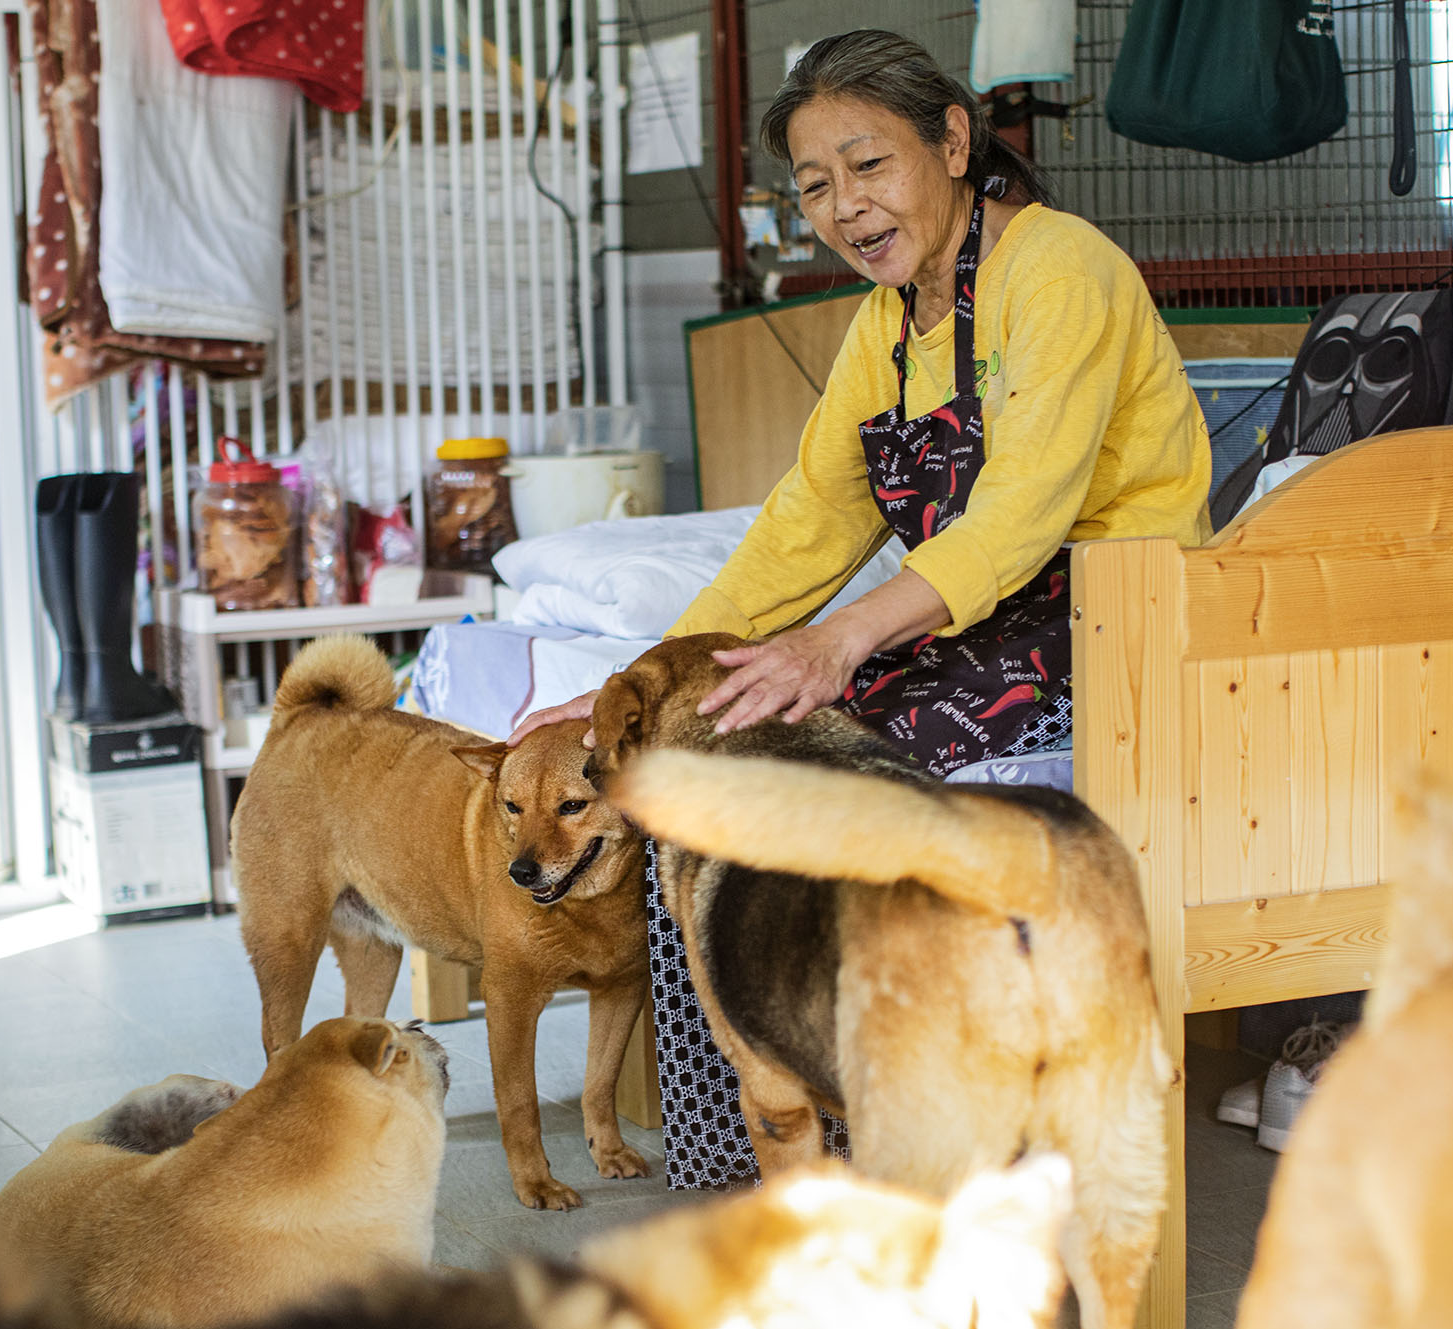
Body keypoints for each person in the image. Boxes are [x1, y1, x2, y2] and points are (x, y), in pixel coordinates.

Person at [510, 27, 1210, 775]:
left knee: (827, 767)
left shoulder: (1059, 269)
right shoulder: (888, 324)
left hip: (1122, 611)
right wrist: (650, 681)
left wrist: (838, 639)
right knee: (715, 732)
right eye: (816, 186)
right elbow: (810, 520)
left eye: (869, 164)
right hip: (986, 622)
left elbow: (1018, 519)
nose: (846, 207)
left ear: (951, 142)